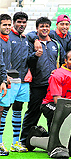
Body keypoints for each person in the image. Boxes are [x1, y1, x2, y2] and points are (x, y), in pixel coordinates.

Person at [25, 50, 71, 158]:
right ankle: (37, 142)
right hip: (51, 105)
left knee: (68, 141)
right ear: (65, 61)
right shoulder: (57, 75)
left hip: (70, 105)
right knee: (61, 125)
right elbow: (58, 101)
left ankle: (37, 136)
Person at [20, 17, 65, 146]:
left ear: (50, 28)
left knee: (53, 114)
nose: (44, 28)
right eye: (41, 26)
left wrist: (57, 73)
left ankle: (53, 141)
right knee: (33, 112)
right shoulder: (31, 42)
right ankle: (24, 141)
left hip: (53, 87)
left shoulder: (56, 44)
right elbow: (27, 61)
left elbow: (63, 63)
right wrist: (35, 55)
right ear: (37, 28)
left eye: (47, 26)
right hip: (37, 85)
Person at [3, 12, 30, 153]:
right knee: (4, 110)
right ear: (14, 22)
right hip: (9, 80)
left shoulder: (26, 38)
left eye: (24, 22)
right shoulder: (7, 37)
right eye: (19, 22)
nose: (21, 25)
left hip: (23, 80)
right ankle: (1, 142)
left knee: (18, 109)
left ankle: (15, 142)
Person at [0, 14, 11, 156]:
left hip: (3, 80)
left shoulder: (6, 40)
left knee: (2, 110)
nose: (7, 27)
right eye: (4, 25)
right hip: (1, 81)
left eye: (9, 25)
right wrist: (3, 80)